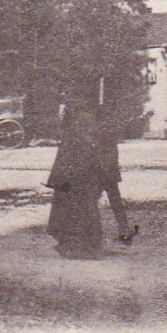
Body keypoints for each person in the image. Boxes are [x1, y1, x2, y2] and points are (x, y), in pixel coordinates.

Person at [46, 99, 105, 259]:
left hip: (78, 177)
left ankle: (81, 248)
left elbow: (68, 157)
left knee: (76, 209)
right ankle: (87, 247)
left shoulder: (76, 129)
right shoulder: (85, 123)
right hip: (83, 177)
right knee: (83, 209)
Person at [96, 102, 137, 245]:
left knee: (94, 200)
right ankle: (124, 230)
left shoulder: (99, 127)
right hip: (107, 167)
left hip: (100, 167)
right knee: (114, 199)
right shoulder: (110, 127)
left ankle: (121, 231)